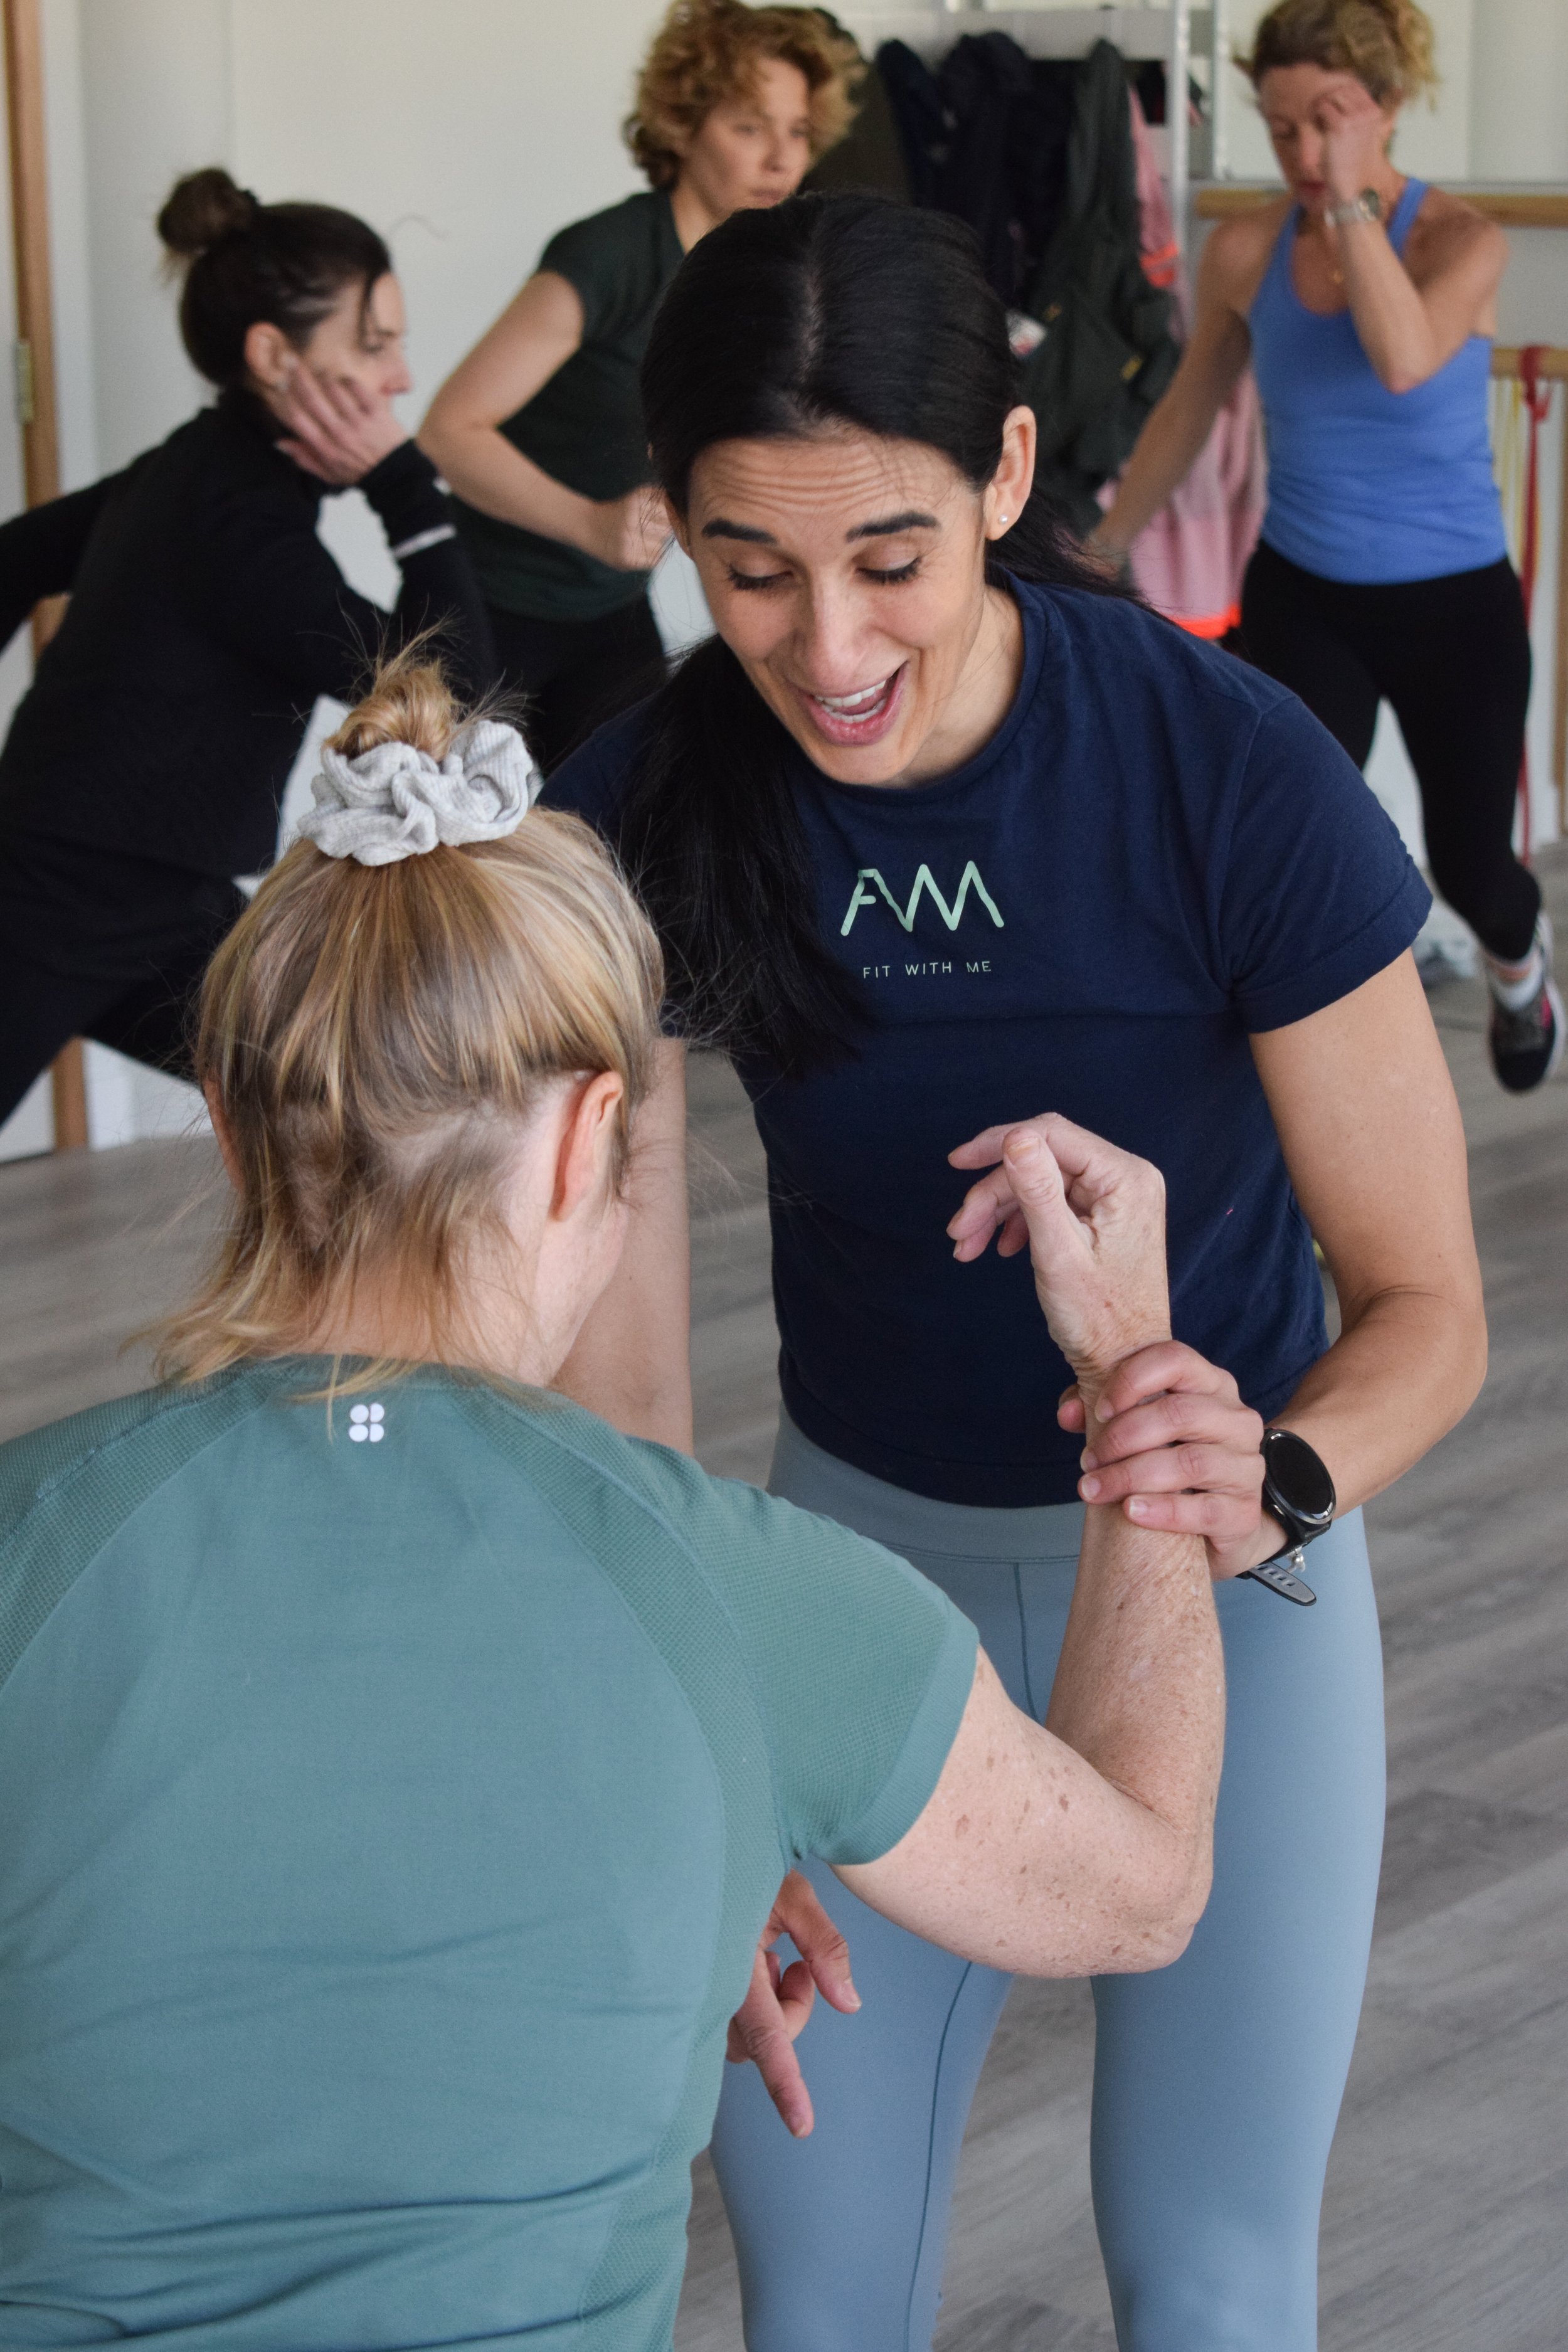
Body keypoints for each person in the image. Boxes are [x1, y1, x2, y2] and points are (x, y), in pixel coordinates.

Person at [0, 650, 1228, 2350]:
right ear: (591, 1139)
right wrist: (1132, 1377)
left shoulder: (26, 1554)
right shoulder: (745, 1602)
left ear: (228, 1126)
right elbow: (1139, 1886)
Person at [541, 191, 1487, 2351]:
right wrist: (692, 1709)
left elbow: (1430, 1310)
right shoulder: (656, 809)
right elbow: (606, 1382)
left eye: (887, 557)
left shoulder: (1228, 774)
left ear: (1005, 474)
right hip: (854, 1583)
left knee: (1214, 2266)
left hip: (1227, 1583)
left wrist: (1282, 1484)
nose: (826, 647)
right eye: (748, 569)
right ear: (676, 521)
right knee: (816, 2260)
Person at [1094, 0, 1557, 1093]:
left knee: (1475, 870)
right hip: (1306, 597)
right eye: (1280, 125)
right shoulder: (1249, 249)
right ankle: (1276, 1073)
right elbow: (1188, 410)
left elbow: (1400, 357)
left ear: (1388, 108)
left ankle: (1520, 972)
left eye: (1328, 120)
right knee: (1268, 830)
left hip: (1456, 611)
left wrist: (1352, 193)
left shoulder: (1462, 241)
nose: (1301, 151)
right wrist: (1101, 543)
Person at [0, 167, 493, 1133]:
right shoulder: (235, 527)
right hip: (68, 904)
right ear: (275, 354)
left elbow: (11, 558)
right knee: (344, 1097)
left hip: (144, 903)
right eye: (376, 345)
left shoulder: (195, 476)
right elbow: (448, 689)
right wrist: (406, 490)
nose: (399, 377)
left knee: (344, 1096)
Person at [418, 0, 858, 773]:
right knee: (478, 857)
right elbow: (450, 432)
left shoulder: (752, 274)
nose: (780, 159)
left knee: (644, 820)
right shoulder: (612, 253)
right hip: (494, 603)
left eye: (795, 132)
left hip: (608, 604)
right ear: (684, 125)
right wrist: (591, 522)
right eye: (749, 126)